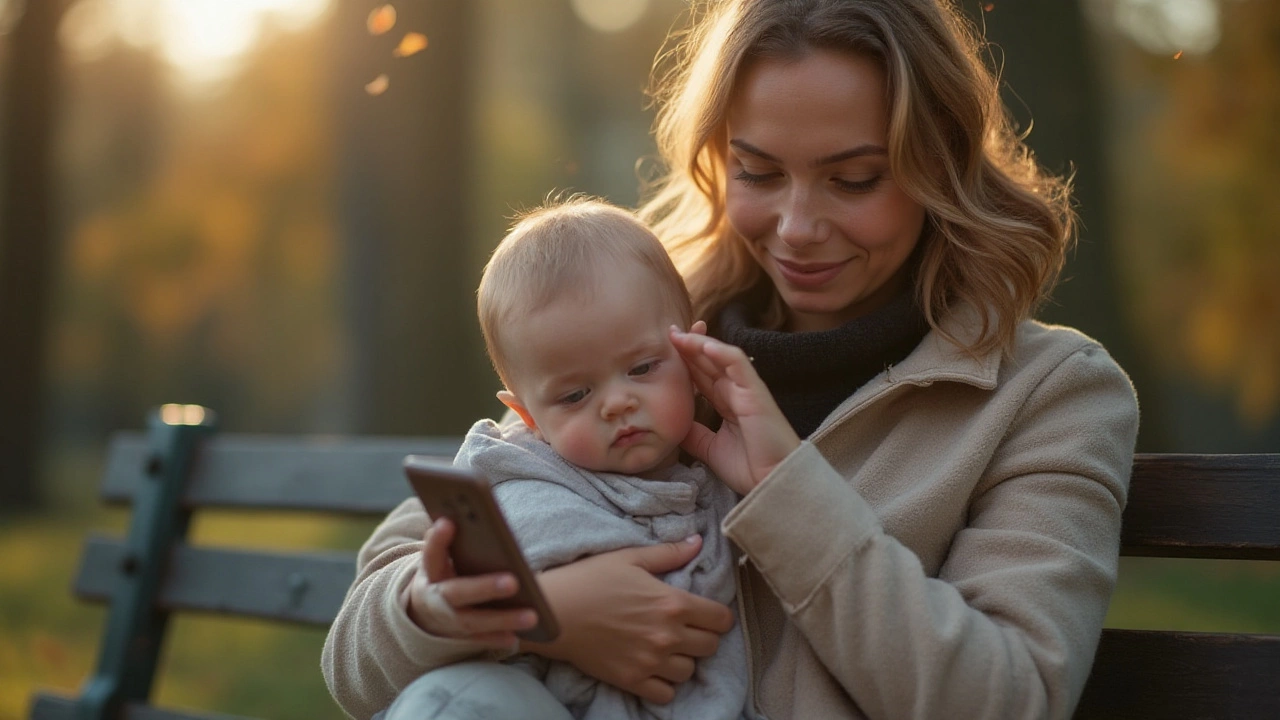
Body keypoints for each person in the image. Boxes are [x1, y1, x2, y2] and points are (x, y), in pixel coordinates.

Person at [323, 1, 1141, 718]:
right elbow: (360, 654)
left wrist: (790, 495)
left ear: (943, 165)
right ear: (717, 161)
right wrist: (542, 612)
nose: (796, 226)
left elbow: (1007, 701)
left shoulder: (1049, 395)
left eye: (853, 179)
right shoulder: (640, 343)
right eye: (758, 171)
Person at [323, 198, 761, 720]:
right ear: (526, 416)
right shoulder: (514, 476)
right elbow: (351, 653)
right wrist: (522, 612)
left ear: (693, 354)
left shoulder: (733, 462)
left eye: (642, 368)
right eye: (575, 396)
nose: (616, 402)